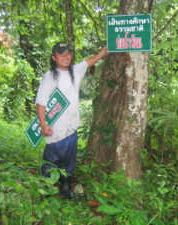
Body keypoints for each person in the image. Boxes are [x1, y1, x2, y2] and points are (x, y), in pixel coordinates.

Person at [35, 42, 107, 199]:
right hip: (54, 129)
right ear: (54, 58)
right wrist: (43, 124)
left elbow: (88, 62)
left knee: (69, 162)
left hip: (71, 128)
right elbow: (41, 102)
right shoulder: (50, 76)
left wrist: (102, 54)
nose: (65, 57)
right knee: (51, 162)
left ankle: (66, 191)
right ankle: (45, 193)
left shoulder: (76, 71)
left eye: (68, 53)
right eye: (61, 54)